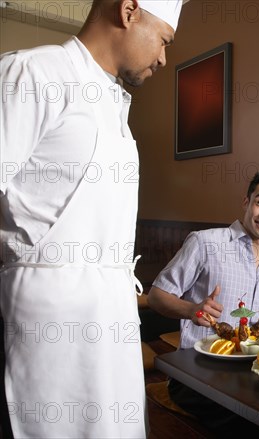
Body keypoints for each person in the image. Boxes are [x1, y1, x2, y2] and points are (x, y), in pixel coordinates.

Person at [0, 1, 183, 437]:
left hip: (112, 315)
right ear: (128, 11)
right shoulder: (34, 74)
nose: (163, 58)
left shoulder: (115, 105)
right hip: (49, 316)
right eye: (164, 40)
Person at [147, 171, 259, 433]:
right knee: (253, 423)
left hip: (253, 372)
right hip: (196, 374)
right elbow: (157, 296)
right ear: (246, 202)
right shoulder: (205, 242)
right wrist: (191, 309)